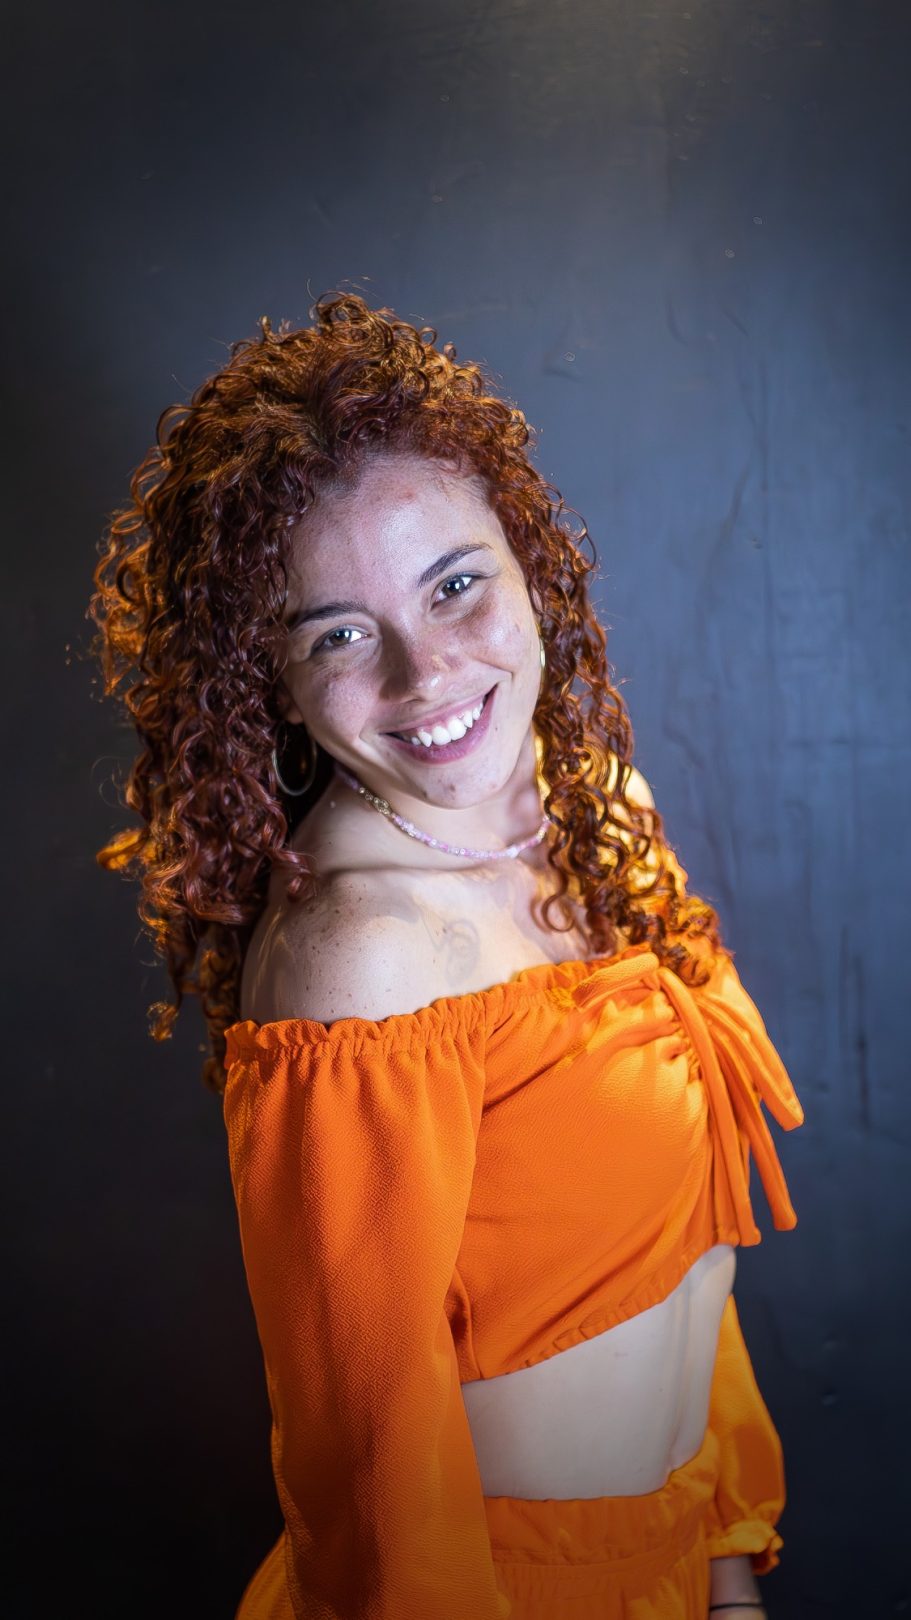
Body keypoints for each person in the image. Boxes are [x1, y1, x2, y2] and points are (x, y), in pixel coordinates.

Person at [88, 292, 805, 1620]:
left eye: (456, 582)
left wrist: (722, 1573)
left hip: (671, 1564)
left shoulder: (601, 813)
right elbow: (371, 1455)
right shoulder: (358, 957)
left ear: (528, 562)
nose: (427, 671)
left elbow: (679, 1240)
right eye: (339, 634)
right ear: (278, 683)